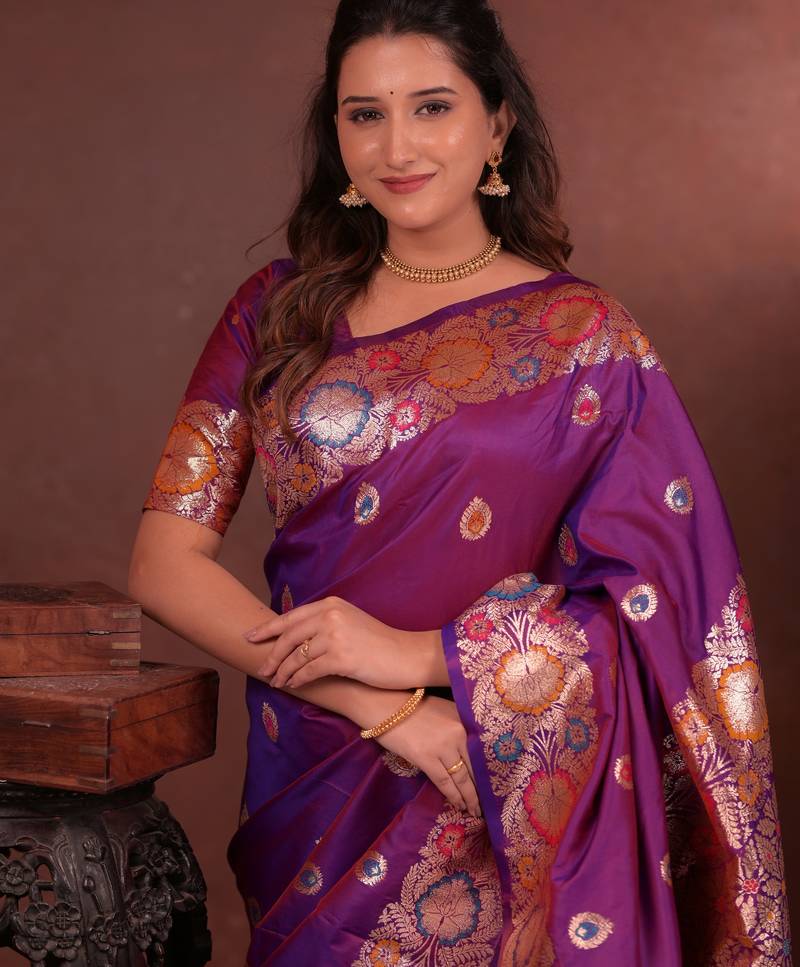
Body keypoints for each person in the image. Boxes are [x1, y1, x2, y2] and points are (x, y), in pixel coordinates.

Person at [129, 1, 790, 964]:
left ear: (497, 125)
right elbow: (163, 561)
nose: (397, 146)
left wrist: (422, 655)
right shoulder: (275, 313)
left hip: (500, 775)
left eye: (432, 107)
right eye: (365, 114)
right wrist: (385, 706)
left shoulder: (586, 339)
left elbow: (664, 613)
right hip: (320, 765)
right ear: (336, 133)